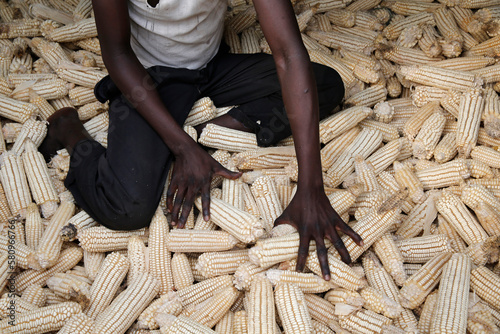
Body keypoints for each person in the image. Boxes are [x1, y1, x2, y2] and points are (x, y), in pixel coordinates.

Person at [40, 0, 363, 280]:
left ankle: (204, 133)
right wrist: (183, 148)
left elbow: (290, 55)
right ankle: (70, 130)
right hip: (150, 79)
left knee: (325, 85)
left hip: (214, 67)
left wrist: (311, 187)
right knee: (126, 209)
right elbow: (118, 54)